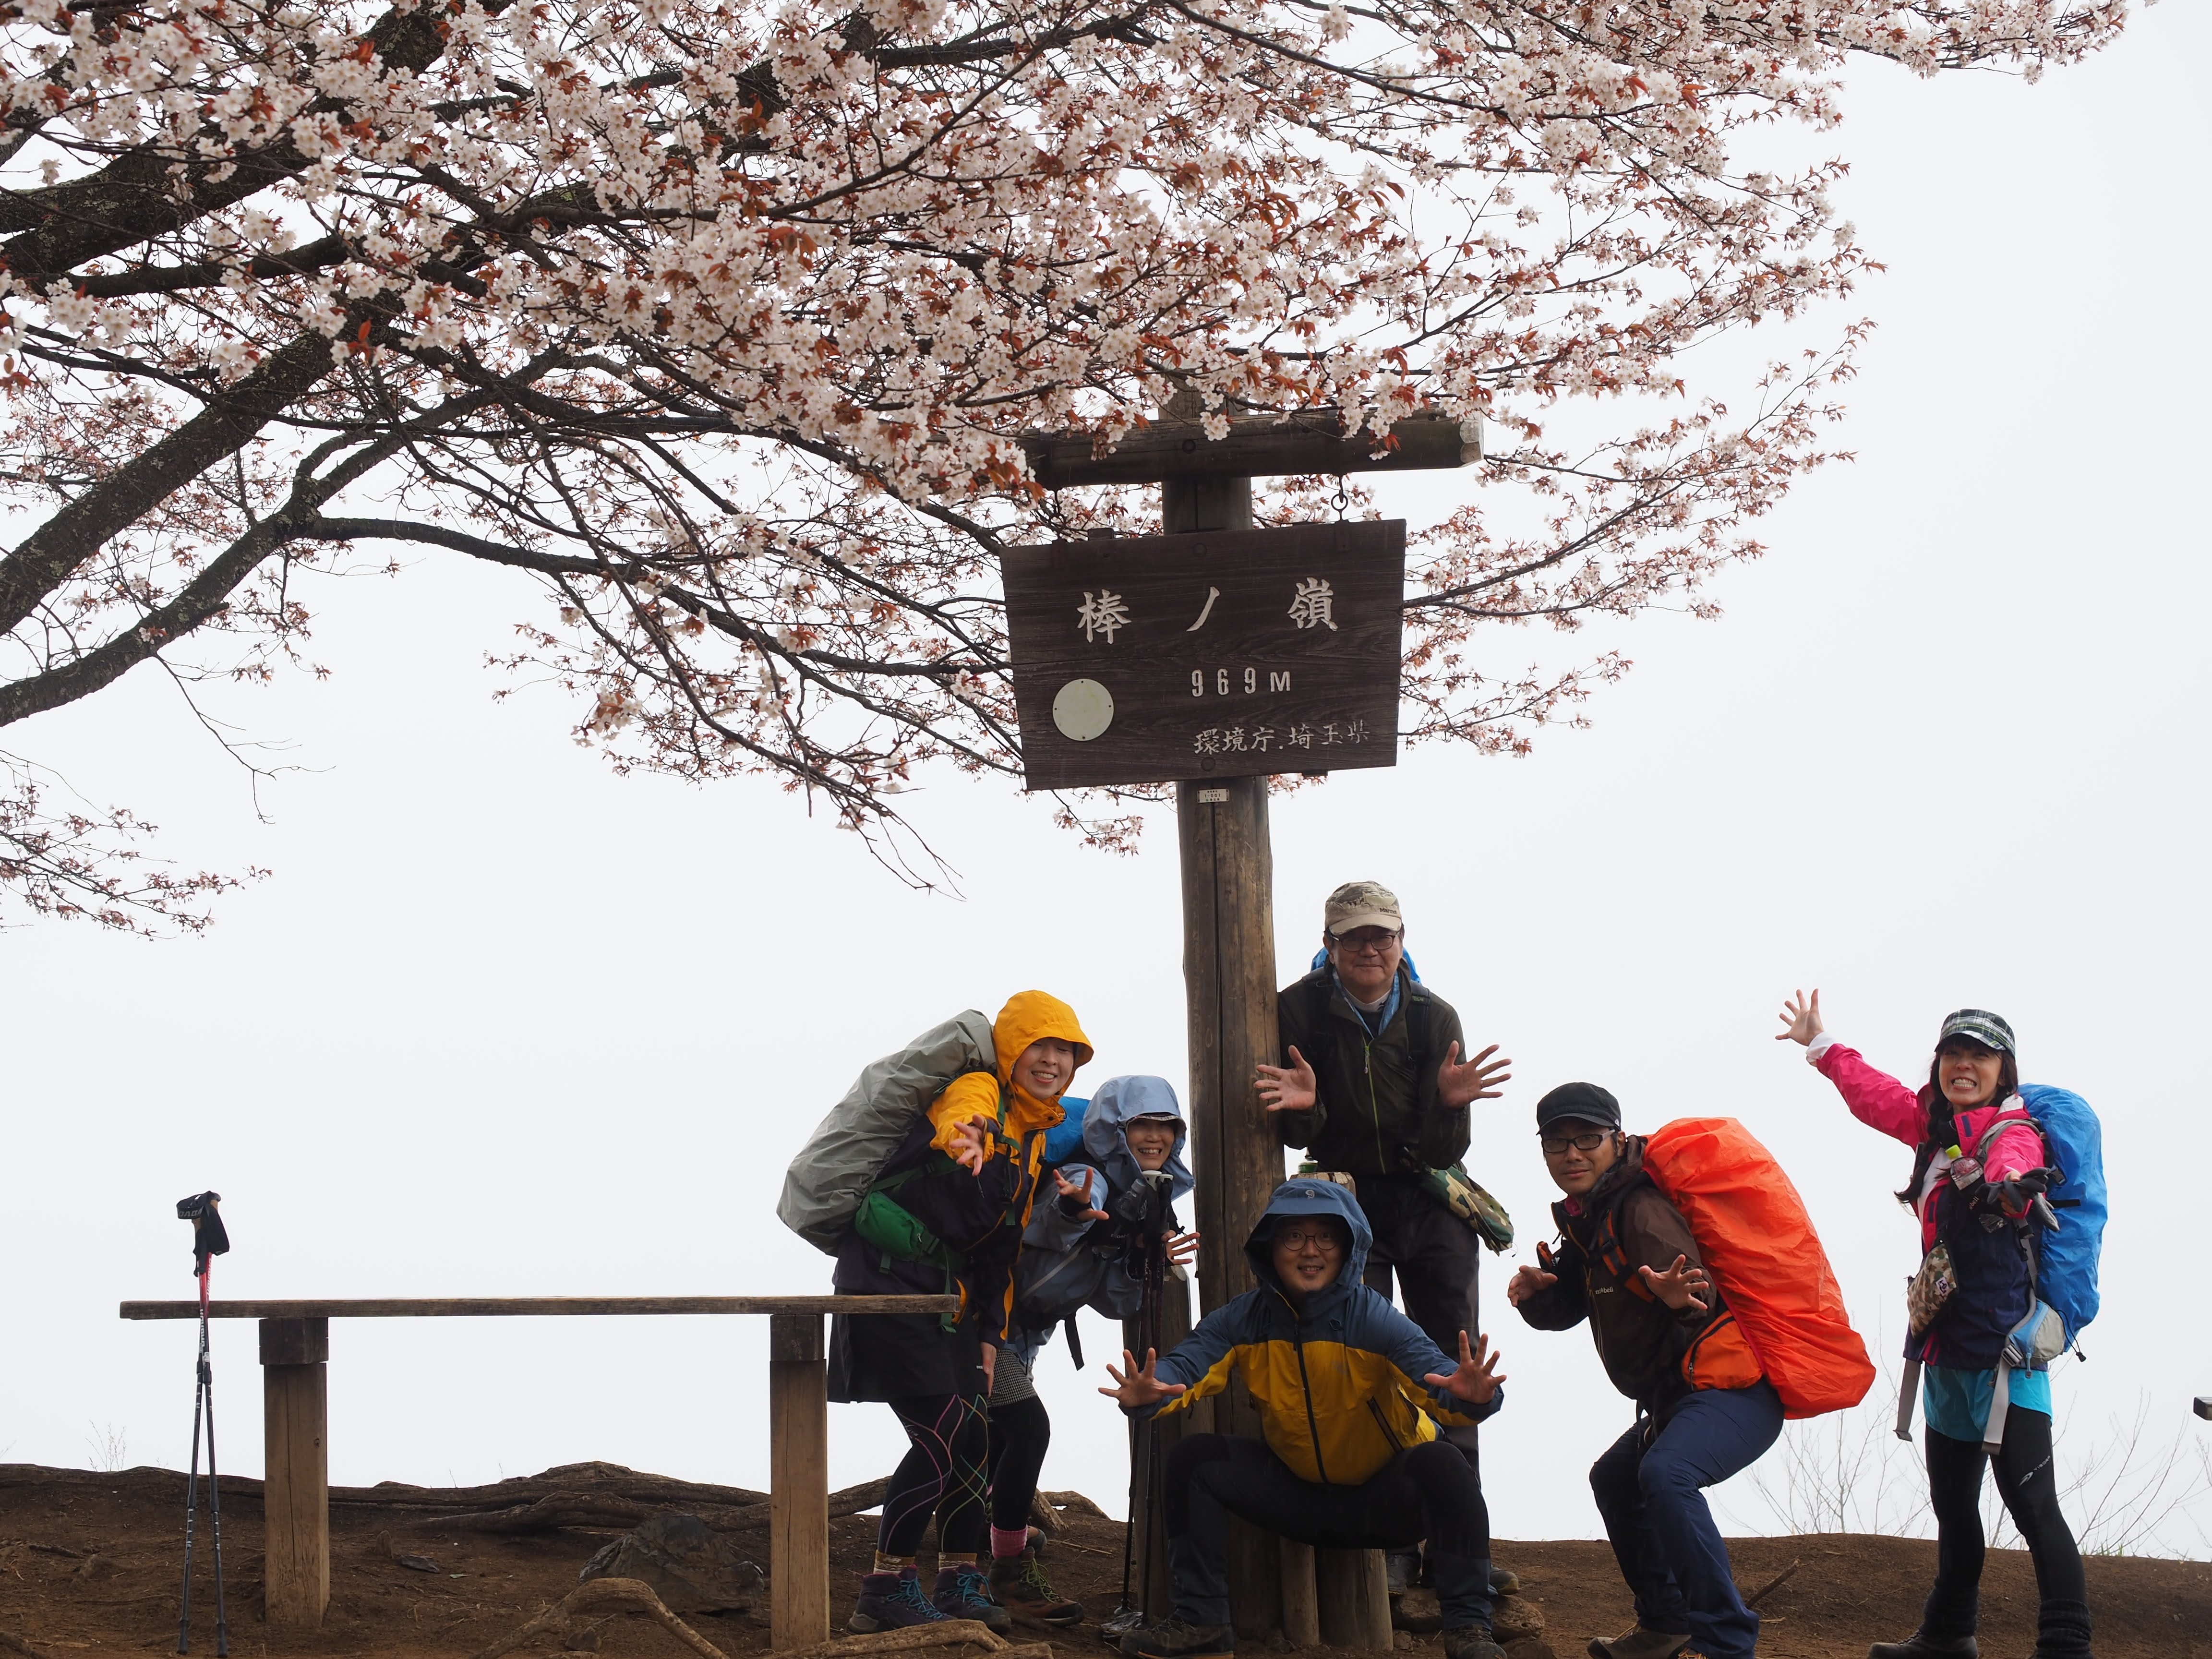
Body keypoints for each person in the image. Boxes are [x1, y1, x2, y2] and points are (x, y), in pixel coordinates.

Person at [1777, 993, 2092, 1659]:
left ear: (2005, 1071)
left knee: (2033, 1507)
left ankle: (2068, 1646)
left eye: (1979, 1055)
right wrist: (1822, 1045)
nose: (1964, 1065)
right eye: (1954, 1053)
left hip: (2006, 1355)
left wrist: (2015, 1189)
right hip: (1945, 1347)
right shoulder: (1931, 1125)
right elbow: (1875, 1095)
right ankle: (1949, 1635)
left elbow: (2016, 1166)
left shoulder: (2014, 1133)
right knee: (1953, 1505)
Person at [1101, 1177, 1507, 1659]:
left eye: (1326, 1237)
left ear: (1348, 1246)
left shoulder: (1374, 1319)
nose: (1309, 1251)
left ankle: (1468, 1633)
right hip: (1297, 1497)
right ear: (1271, 1248)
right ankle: (1202, 1625)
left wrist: (1472, 1396)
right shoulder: (1242, 1320)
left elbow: (1436, 1378)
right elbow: (1187, 1367)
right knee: (1194, 1460)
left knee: (1443, 1462)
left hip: (1382, 1501)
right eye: (1294, 1237)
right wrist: (1149, 1391)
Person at [1254, 879, 1514, 1596]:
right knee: (1363, 1362)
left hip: (1429, 1201)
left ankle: (1461, 1551)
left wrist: (1450, 1105)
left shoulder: (1435, 1016)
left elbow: (1438, 1147)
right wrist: (1309, 1111)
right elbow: (1290, 1125)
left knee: (1451, 1363)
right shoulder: (1296, 1009)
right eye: (1355, 938)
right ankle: (1391, 1542)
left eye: (1383, 937)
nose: (1371, 949)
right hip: (1347, 1199)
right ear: (1331, 946)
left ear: (1402, 942)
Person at [829, 990, 1093, 1634]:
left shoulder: (1032, 1140)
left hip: (952, 1306)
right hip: (887, 1288)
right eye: (1042, 1046)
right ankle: (886, 1587)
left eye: (1067, 1052)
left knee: (975, 1437)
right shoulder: (979, 1091)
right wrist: (962, 1137)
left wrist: (990, 1335)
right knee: (945, 1437)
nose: (1053, 1061)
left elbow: (1000, 1254)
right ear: (1012, 1048)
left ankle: (957, 1579)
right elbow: (961, 1115)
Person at [1506, 1082, 1785, 1659]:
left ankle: (1728, 1644)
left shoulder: (1639, 1208)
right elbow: (1568, 1306)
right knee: (1616, 1477)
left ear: (1618, 1140)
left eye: (1587, 1139)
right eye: (1558, 1143)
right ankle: (1666, 1623)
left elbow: (1695, 1289)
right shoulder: (1588, 1219)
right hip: (1678, 1398)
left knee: (1666, 1475)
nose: (1573, 1154)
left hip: (1733, 1392)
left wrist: (1679, 1299)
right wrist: (1536, 1296)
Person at [986, 1074, 1200, 1629]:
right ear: (1115, 1130)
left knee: (987, 1438)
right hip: (985, 1323)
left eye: (1167, 1127)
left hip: (1023, 1332)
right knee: (1026, 1430)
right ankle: (1005, 1573)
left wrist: (1139, 1256)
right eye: (1142, 1126)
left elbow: (1113, 1303)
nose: (1156, 1137)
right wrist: (1082, 1212)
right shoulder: (1089, 1176)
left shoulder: (1151, 1198)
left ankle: (984, 1548)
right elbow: (1058, 1222)